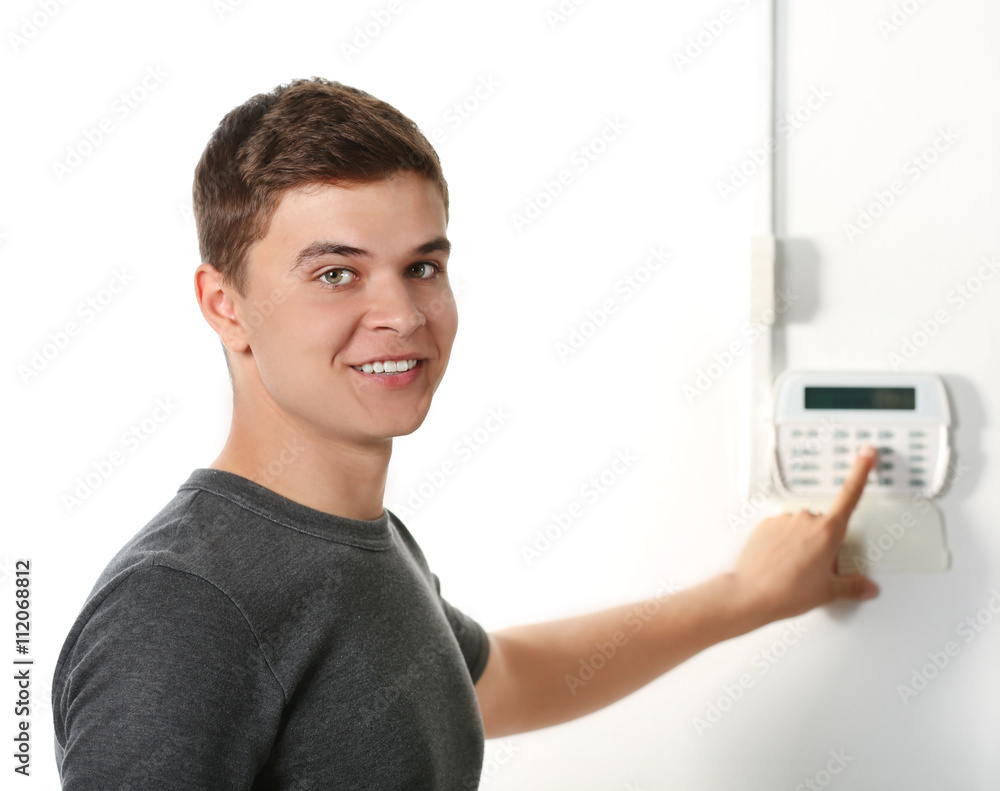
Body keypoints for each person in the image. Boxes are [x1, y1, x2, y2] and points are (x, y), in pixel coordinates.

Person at [51, 77, 880, 789]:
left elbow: (503, 678)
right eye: (335, 273)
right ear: (224, 303)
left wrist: (747, 596)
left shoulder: (361, 545)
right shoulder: (183, 606)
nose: (402, 314)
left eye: (422, 266)